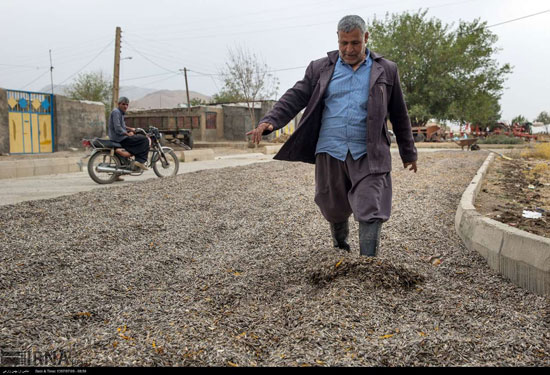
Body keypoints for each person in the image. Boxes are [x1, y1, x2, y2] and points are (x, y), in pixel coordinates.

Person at [247, 15, 418, 257]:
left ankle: (367, 263)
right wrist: (270, 121)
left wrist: (408, 153)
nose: (349, 49)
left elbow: (400, 114)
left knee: (371, 203)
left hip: (369, 152)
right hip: (330, 149)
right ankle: (340, 251)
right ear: (338, 39)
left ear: (366, 38)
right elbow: (295, 96)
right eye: (344, 43)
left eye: (355, 43)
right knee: (333, 205)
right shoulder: (320, 68)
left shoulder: (386, 70)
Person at [108, 97, 150, 172]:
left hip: (120, 137)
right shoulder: (116, 112)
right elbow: (118, 128)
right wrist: (127, 134)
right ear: (119, 104)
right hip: (119, 138)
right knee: (144, 140)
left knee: (137, 138)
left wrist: (131, 129)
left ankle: (118, 173)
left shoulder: (120, 113)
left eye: (127, 105)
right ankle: (140, 161)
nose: (125, 106)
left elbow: (122, 126)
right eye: (123, 104)